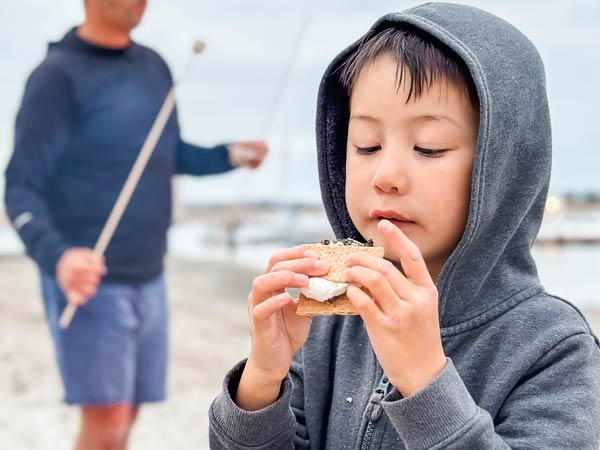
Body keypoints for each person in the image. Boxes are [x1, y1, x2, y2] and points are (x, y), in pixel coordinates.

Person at [208, 3, 600, 449]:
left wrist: (423, 379)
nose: (385, 175)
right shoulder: (332, 320)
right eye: (367, 145)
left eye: (429, 147)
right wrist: (261, 380)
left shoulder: (552, 347)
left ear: (505, 167)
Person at [4, 0, 267, 449]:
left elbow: (166, 152)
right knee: (105, 424)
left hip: (149, 273)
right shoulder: (57, 77)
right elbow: (20, 186)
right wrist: (59, 257)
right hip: (89, 282)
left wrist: (227, 155)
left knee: (127, 419)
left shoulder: (153, 67)